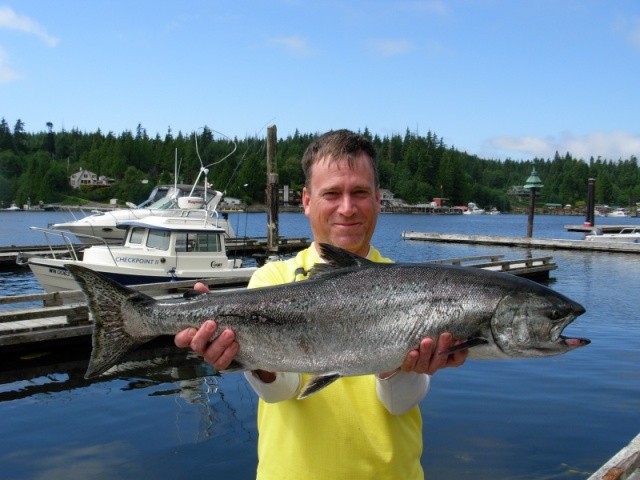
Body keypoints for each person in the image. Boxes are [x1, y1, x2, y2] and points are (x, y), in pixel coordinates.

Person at [175, 129, 468, 479]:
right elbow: (282, 392)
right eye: (332, 193)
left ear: (378, 198)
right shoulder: (271, 281)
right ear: (307, 200)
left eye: (359, 192)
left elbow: (398, 403)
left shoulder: (414, 287)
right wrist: (245, 356)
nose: (347, 208)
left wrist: (402, 366)